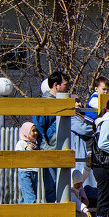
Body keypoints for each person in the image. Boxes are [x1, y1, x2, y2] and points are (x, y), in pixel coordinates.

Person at [33, 70, 71, 201]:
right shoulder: (45, 104)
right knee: (52, 183)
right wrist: (46, 147)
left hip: (61, 148)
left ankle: (59, 213)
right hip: (50, 149)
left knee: (62, 182)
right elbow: (39, 127)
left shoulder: (62, 102)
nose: (68, 87)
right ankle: (55, 214)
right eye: (65, 84)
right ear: (56, 85)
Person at [14, 122, 45, 217]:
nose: (35, 133)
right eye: (33, 131)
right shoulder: (21, 143)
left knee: (26, 197)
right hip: (24, 172)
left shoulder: (35, 144)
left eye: (36, 131)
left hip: (34, 172)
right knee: (30, 196)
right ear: (26, 132)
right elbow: (18, 157)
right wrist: (28, 149)